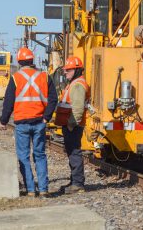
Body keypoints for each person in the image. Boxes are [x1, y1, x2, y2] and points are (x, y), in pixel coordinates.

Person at [0, 47, 57, 197]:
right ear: (32, 61)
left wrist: (3, 121)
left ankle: (31, 190)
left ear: (19, 61)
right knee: (40, 155)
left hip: (22, 123)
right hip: (39, 122)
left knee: (23, 156)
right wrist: (47, 117)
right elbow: (53, 99)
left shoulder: (15, 78)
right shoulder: (44, 76)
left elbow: (8, 102)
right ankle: (43, 189)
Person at [55, 56, 90, 194]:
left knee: (74, 152)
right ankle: (74, 181)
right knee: (72, 152)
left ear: (76, 70)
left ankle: (78, 184)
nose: (65, 72)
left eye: (68, 70)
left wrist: (71, 124)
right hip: (72, 124)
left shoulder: (77, 85)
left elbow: (77, 108)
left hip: (73, 125)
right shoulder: (75, 82)